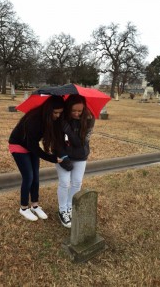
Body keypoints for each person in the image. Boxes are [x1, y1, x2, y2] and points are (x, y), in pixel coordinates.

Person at [9, 96, 68, 222]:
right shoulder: (34, 119)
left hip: (31, 146)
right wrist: (51, 158)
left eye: (60, 113)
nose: (58, 115)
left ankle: (35, 205)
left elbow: (52, 137)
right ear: (48, 110)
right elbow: (32, 146)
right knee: (29, 177)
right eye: (55, 112)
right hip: (18, 145)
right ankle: (24, 208)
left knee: (36, 176)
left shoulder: (50, 119)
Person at [56, 94, 95, 228]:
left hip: (80, 156)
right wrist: (63, 156)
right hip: (64, 156)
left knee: (77, 183)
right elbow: (56, 142)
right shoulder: (60, 119)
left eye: (80, 110)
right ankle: (62, 210)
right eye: (73, 111)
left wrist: (67, 128)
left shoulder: (89, 119)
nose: (77, 113)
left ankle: (70, 206)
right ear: (68, 109)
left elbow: (80, 142)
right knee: (65, 183)